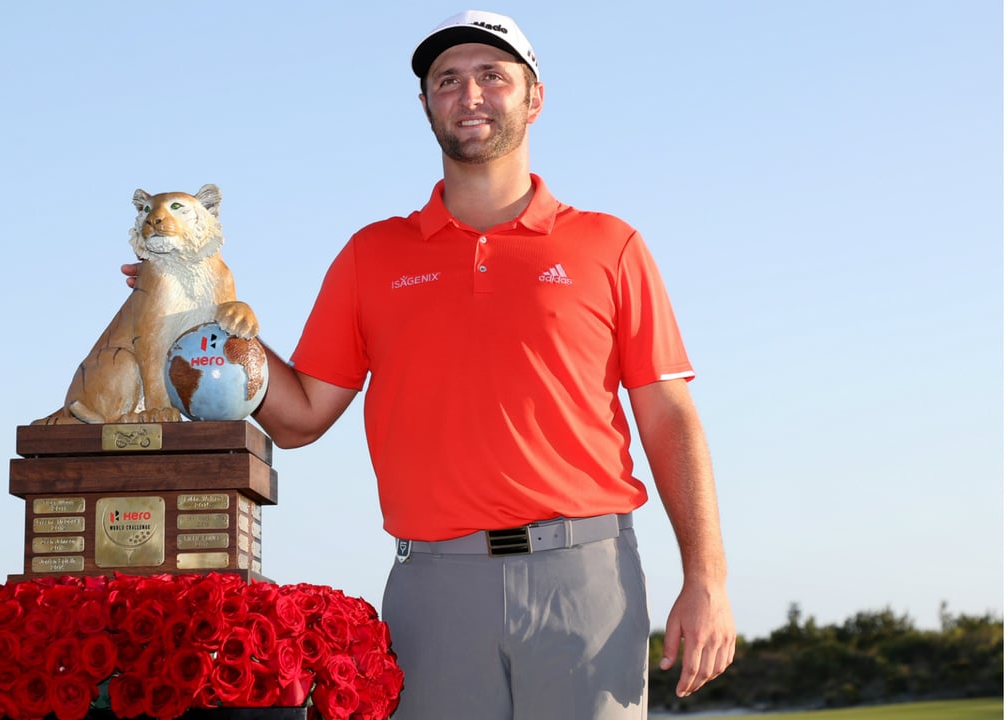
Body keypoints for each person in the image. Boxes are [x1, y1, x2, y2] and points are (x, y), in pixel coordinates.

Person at [127, 9, 734, 718]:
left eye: (492, 77)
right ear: (425, 105)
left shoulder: (610, 246)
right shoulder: (371, 256)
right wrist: (201, 311)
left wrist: (708, 578)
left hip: (586, 575)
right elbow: (300, 416)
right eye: (447, 80)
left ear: (534, 98)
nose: (469, 94)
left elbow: (668, 414)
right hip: (433, 585)